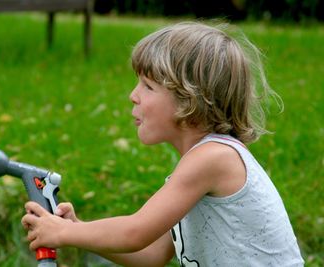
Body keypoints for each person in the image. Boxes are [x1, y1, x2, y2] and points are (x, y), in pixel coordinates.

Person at [21, 22, 304, 266]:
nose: (133, 95)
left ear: (189, 100)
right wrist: (77, 229)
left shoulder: (214, 158)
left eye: (147, 86)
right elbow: (152, 253)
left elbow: (135, 233)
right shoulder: (199, 165)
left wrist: (63, 233)